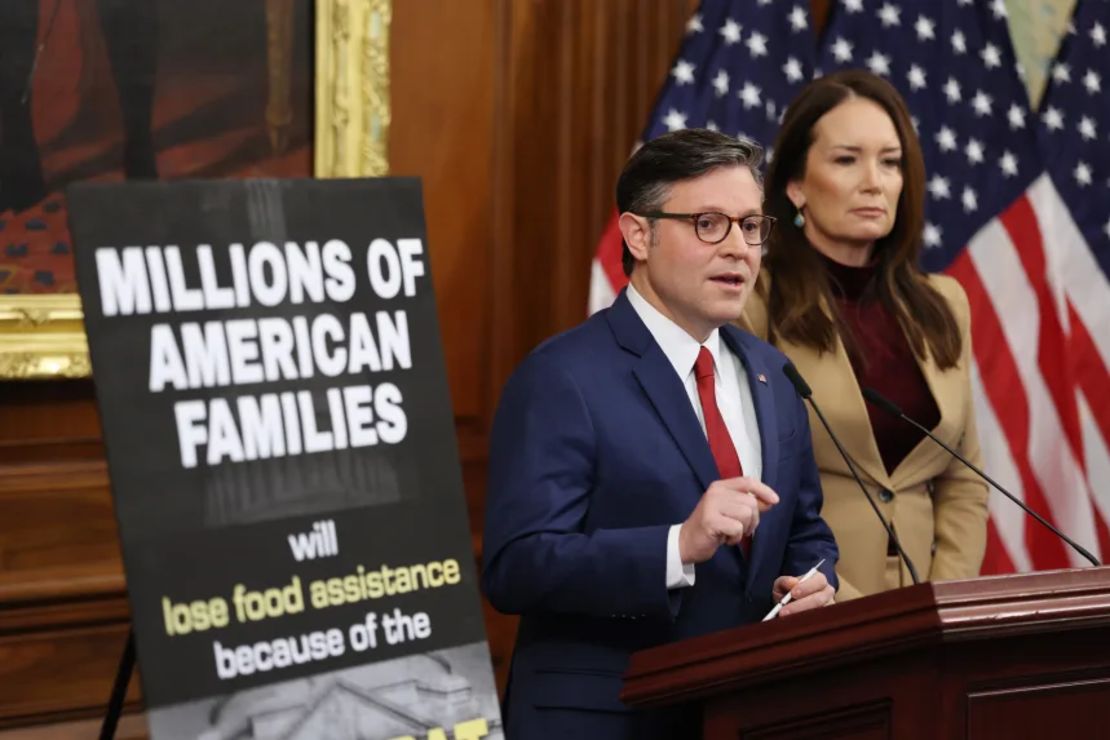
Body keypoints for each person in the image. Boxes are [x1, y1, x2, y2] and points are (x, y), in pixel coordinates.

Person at [482, 129, 839, 739]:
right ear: (638, 235)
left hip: (743, 714)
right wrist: (676, 546)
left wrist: (815, 579)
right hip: (609, 720)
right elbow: (517, 566)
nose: (739, 249)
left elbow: (805, 527)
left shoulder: (773, 373)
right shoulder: (562, 376)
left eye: (751, 226)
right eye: (709, 224)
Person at [740, 70, 989, 601]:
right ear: (796, 186)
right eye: (847, 160)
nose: (874, 181)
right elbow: (750, 483)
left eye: (891, 162)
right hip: (812, 603)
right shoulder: (754, 302)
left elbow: (964, 481)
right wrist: (842, 604)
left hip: (931, 611)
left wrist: (943, 606)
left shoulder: (944, 303)